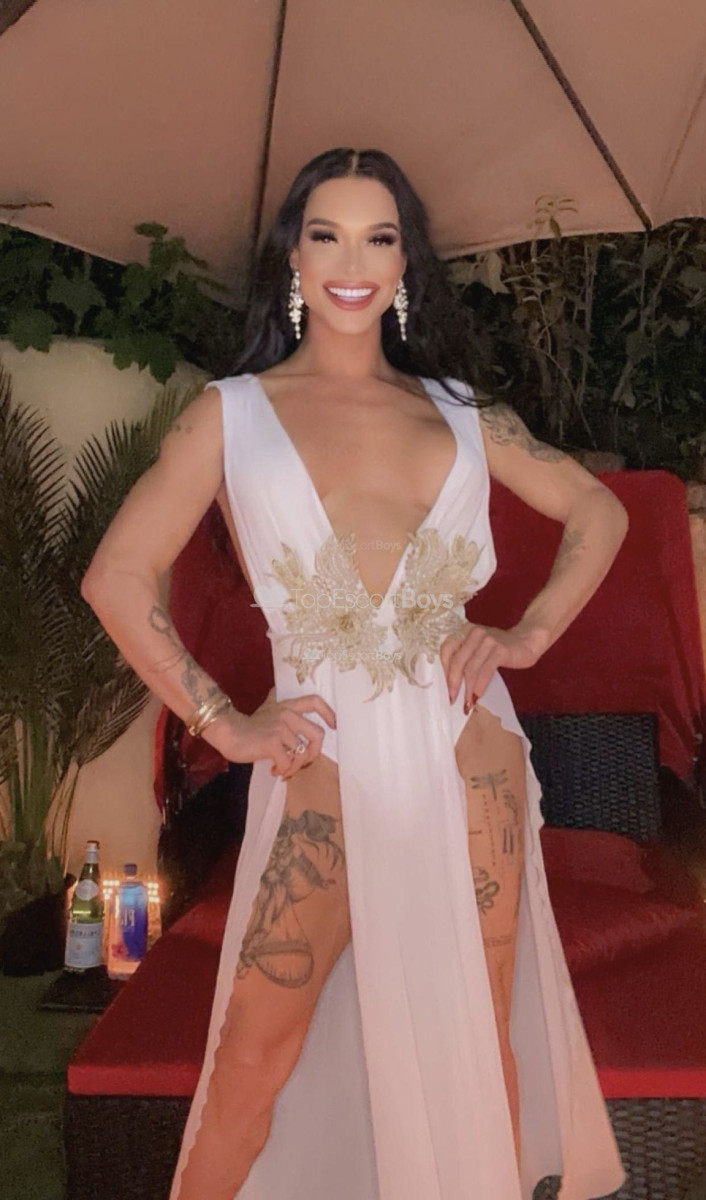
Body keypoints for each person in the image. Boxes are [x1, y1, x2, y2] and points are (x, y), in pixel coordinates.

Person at [81, 147, 629, 1200]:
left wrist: (526, 637)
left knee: (480, 1034)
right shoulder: (231, 412)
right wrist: (224, 722)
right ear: (293, 257)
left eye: (379, 238)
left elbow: (597, 512)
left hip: (468, 751)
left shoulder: (461, 411)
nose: (352, 261)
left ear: (406, 263)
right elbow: (116, 574)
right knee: (254, 1048)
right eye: (326, 234)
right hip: (323, 760)